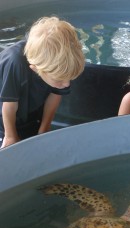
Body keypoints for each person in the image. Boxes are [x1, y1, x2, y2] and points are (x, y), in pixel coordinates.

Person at [0, 16, 85, 148]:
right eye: (60, 79)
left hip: (29, 115)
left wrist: (44, 129)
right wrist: (10, 136)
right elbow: (9, 105)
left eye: (69, 79)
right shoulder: (14, 62)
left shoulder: (62, 64)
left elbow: (55, 95)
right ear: (35, 69)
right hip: (4, 117)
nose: (67, 84)